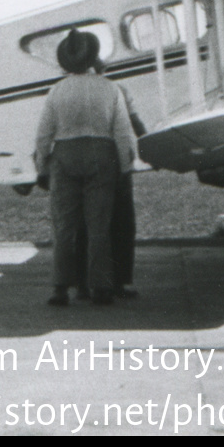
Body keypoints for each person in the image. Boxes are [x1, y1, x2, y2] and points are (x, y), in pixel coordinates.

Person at [34, 29, 136, 306]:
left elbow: (44, 133)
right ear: (93, 56)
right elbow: (123, 131)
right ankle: (101, 286)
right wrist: (125, 166)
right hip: (101, 154)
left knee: (64, 226)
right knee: (98, 225)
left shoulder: (57, 90)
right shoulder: (110, 88)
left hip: (65, 153)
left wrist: (41, 164)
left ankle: (60, 287)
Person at [73, 76, 143, 300]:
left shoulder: (66, 90)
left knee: (86, 223)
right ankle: (118, 283)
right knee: (121, 222)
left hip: (81, 161)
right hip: (112, 158)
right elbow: (133, 124)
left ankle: (83, 283)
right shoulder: (118, 88)